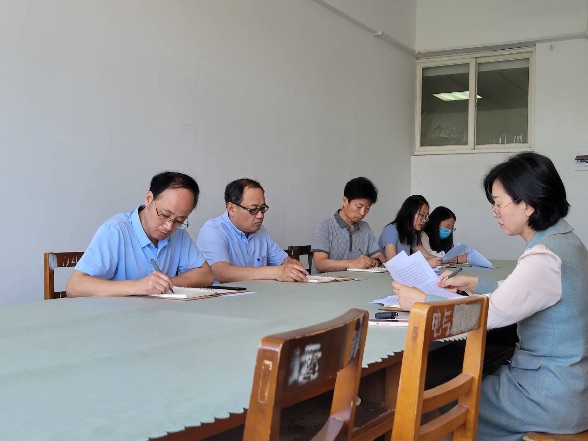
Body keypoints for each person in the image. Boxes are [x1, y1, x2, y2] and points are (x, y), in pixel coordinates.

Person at [392, 152, 588, 440]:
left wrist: (422, 302)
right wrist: (474, 282)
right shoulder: (568, 242)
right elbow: (525, 291)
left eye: (498, 203)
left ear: (528, 205)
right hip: (570, 387)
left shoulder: (544, 257)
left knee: (439, 408)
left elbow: (487, 315)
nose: (494, 213)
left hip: (545, 395)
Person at [67, 172, 214, 297]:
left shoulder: (179, 235)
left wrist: (166, 283)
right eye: (164, 215)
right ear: (149, 199)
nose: (169, 226)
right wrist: (139, 286)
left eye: (179, 220)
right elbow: (74, 286)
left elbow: (206, 274)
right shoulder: (116, 230)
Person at [196, 178, 308, 283]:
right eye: (253, 210)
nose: (260, 216)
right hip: (224, 296)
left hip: (258, 294)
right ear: (231, 209)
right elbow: (221, 272)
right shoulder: (213, 230)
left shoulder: (260, 231)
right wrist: (275, 272)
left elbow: (284, 261)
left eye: (262, 208)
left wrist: (292, 267)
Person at [311, 177, 385, 273]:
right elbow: (320, 264)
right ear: (345, 201)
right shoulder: (324, 227)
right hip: (329, 282)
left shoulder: (365, 227)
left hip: (359, 281)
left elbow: (380, 257)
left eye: (367, 208)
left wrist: (375, 261)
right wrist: (353, 263)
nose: (362, 213)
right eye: (359, 206)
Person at [378, 195, 442, 267]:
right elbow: (392, 264)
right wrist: (426, 263)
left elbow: (427, 255)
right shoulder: (391, 230)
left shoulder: (411, 232)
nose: (424, 220)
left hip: (404, 272)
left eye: (426, 216)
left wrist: (440, 260)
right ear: (409, 213)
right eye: (421, 215)